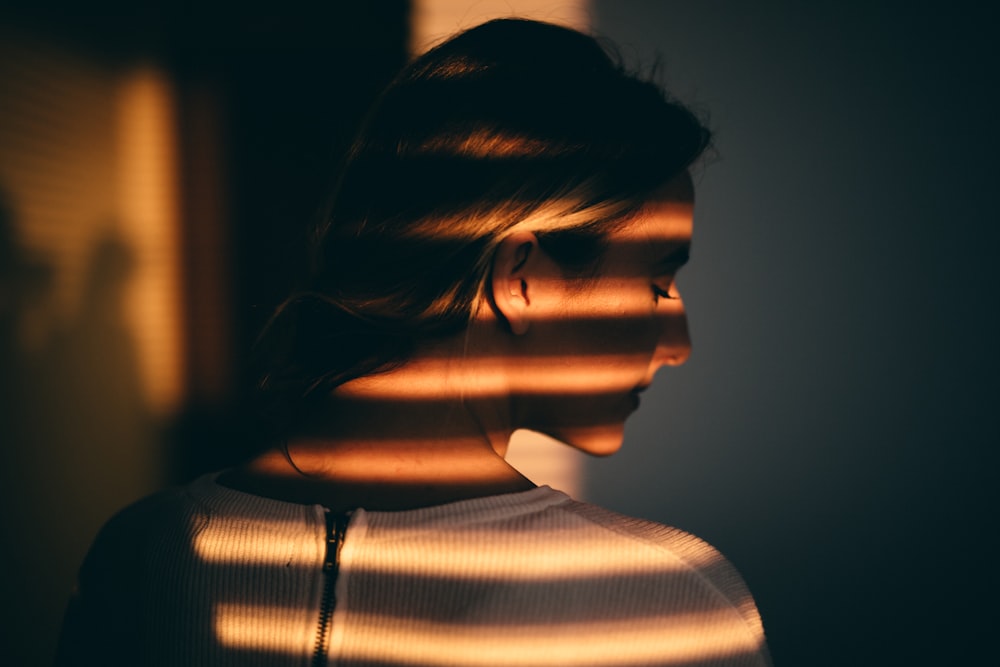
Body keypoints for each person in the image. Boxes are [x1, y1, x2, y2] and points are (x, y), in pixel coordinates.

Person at [56, 18, 771, 667]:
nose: (679, 342)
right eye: (658, 281)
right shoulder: (667, 600)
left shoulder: (140, 556)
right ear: (521, 277)